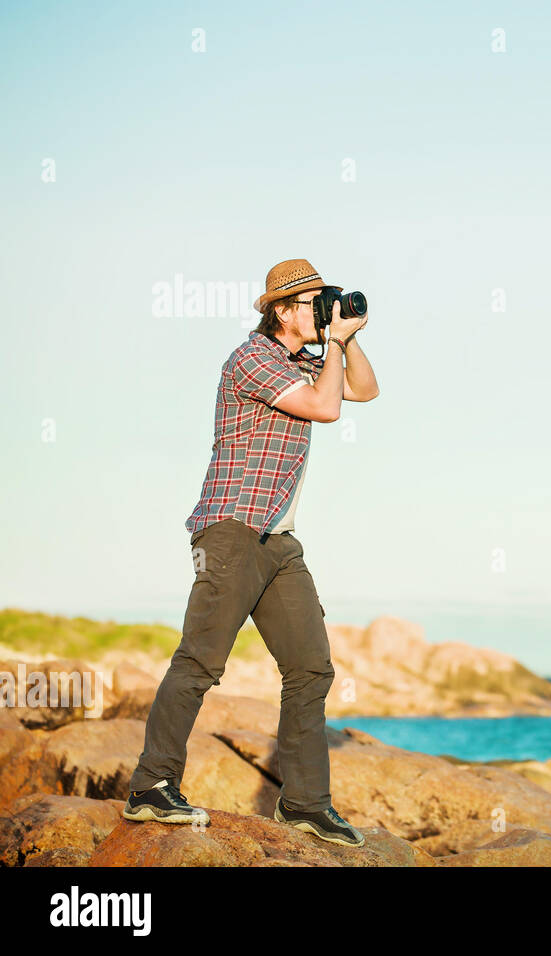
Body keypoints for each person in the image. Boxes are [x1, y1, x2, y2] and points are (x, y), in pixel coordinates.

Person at [122, 258, 379, 847]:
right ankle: (150, 787)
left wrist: (348, 337)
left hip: (278, 540)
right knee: (200, 661)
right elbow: (327, 407)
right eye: (314, 302)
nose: (321, 311)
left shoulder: (310, 361)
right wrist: (334, 345)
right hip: (233, 530)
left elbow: (364, 391)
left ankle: (306, 805)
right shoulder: (252, 359)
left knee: (311, 667)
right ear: (283, 311)